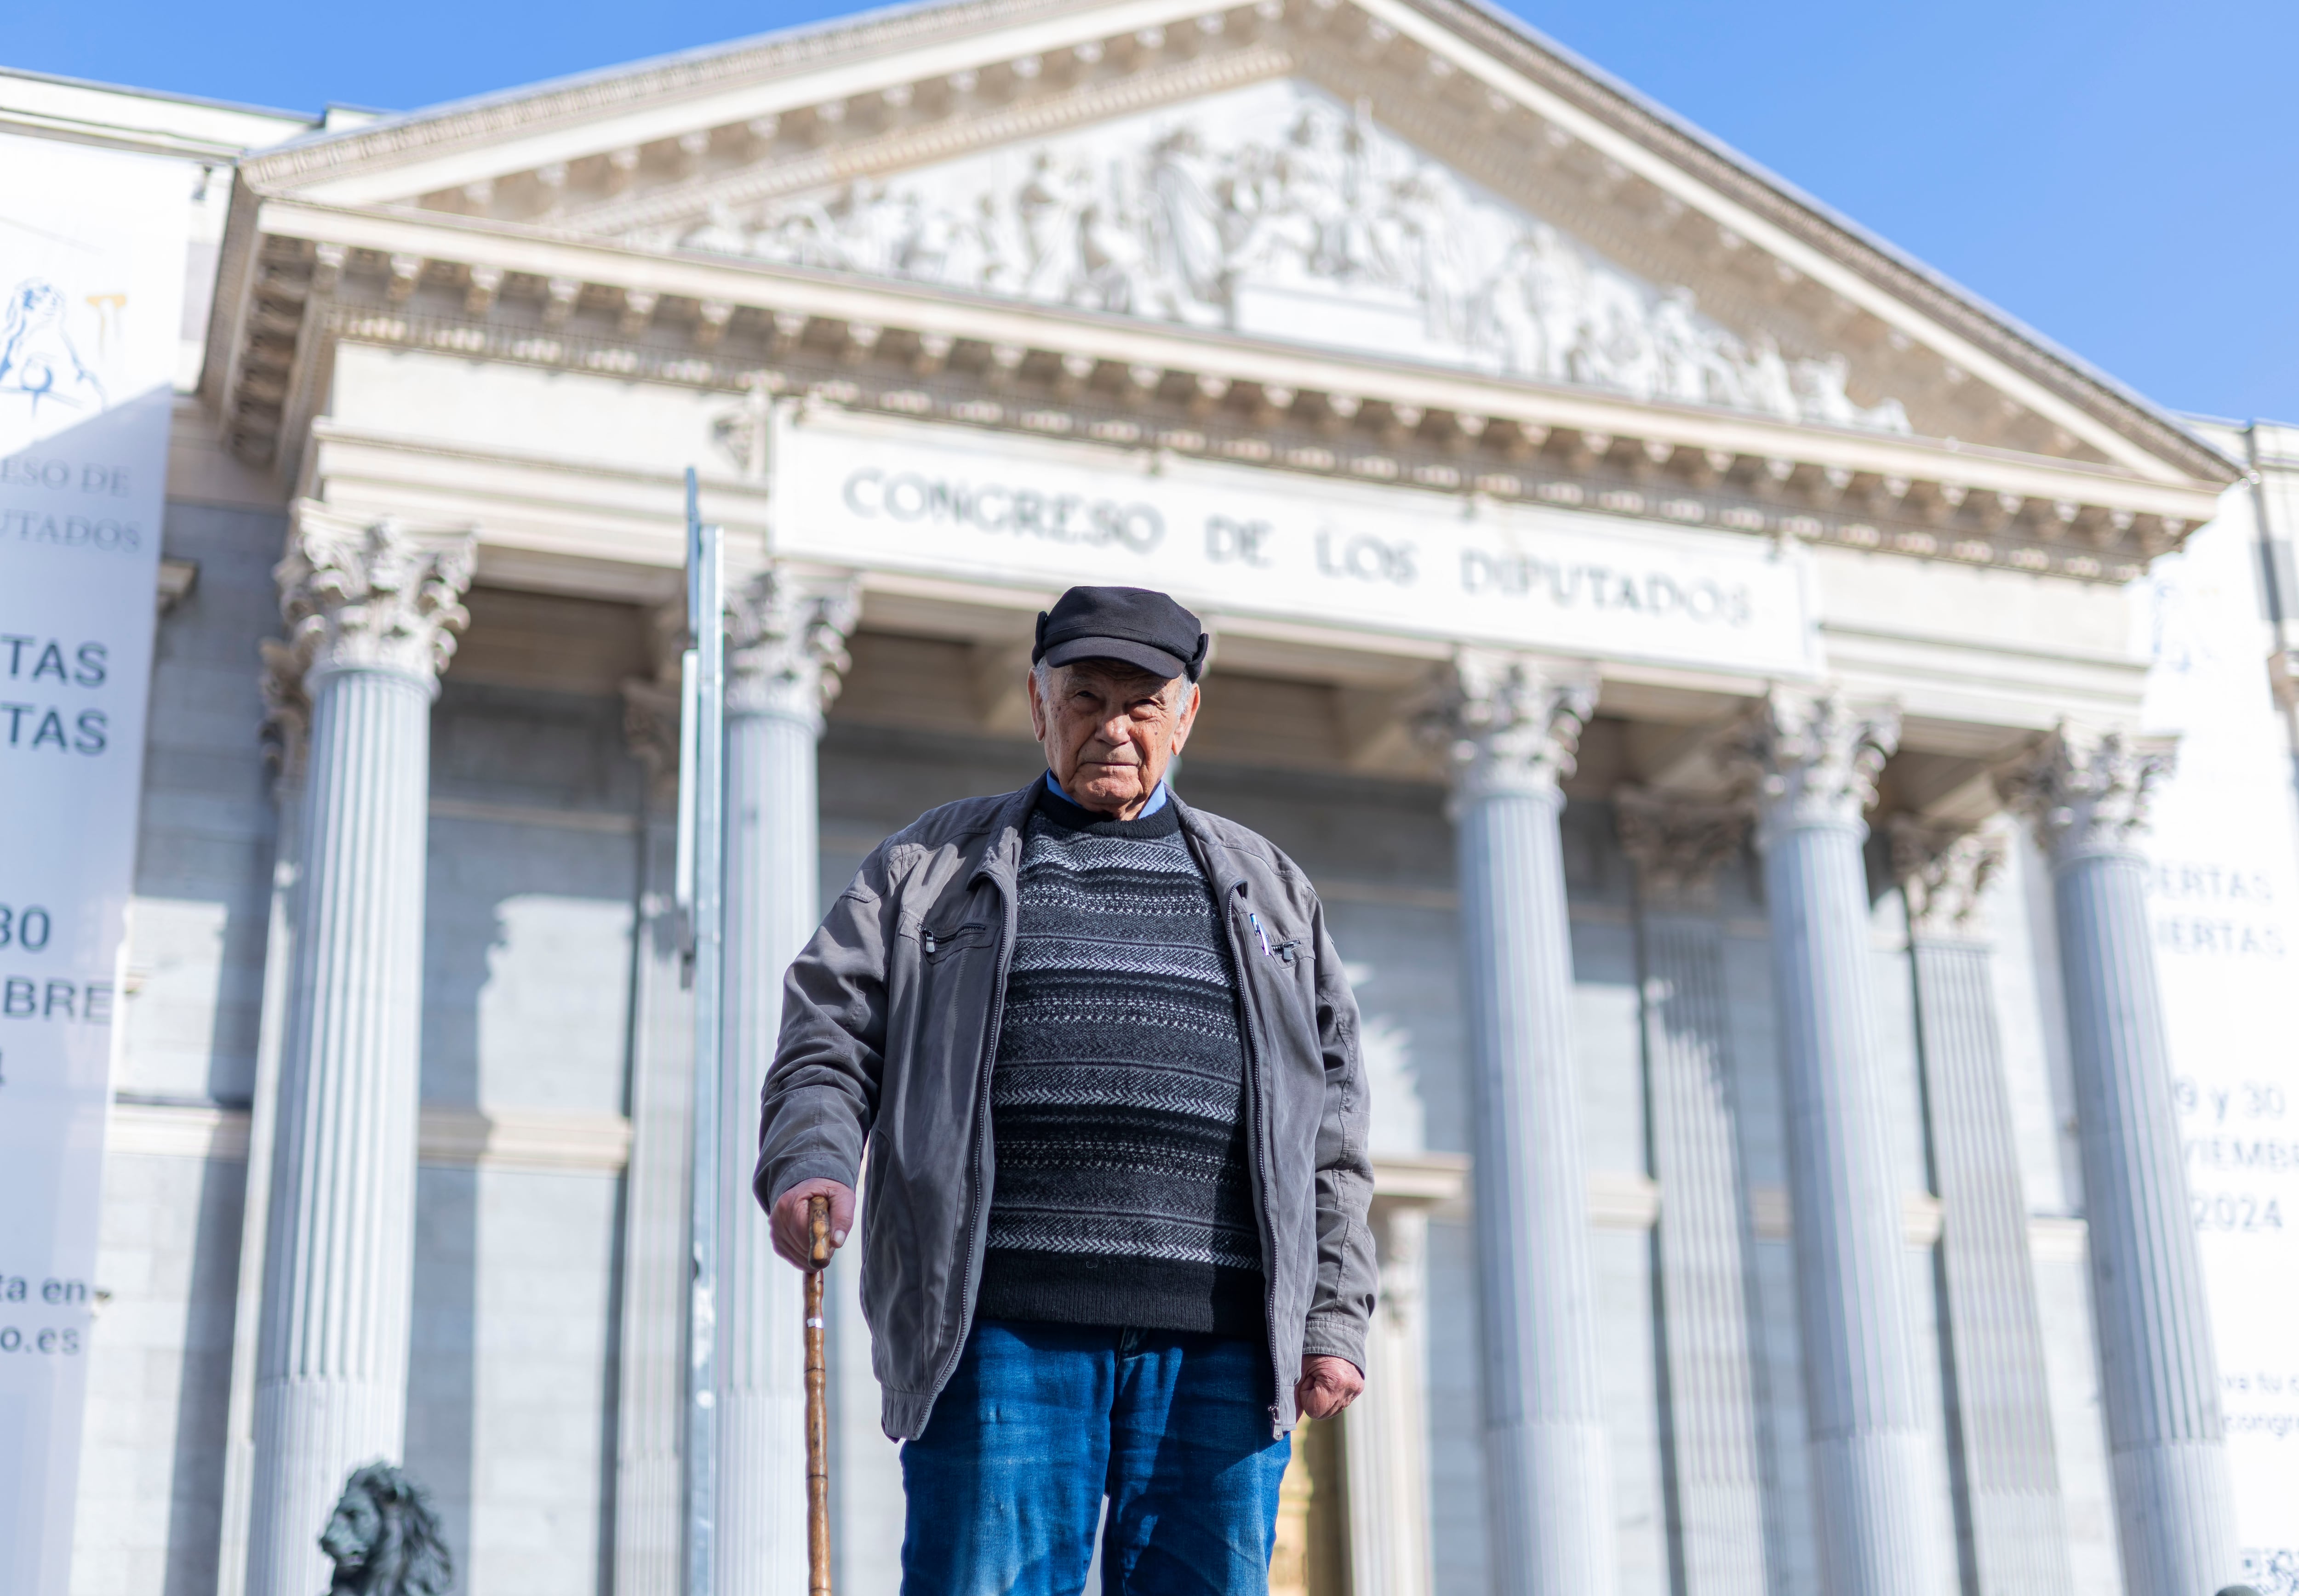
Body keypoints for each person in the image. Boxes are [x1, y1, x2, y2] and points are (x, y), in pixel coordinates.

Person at [755, 584, 1377, 1596]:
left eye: (1142, 703)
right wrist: (812, 1156)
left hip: (1221, 1342)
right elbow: (826, 1028)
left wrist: (1336, 1314)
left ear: (1187, 715)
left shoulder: (1275, 890)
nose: (1112, 726)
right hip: (998, 1327)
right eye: (1086, 697)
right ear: (1038, 703)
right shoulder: (927, 867)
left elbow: (1335, 1124)